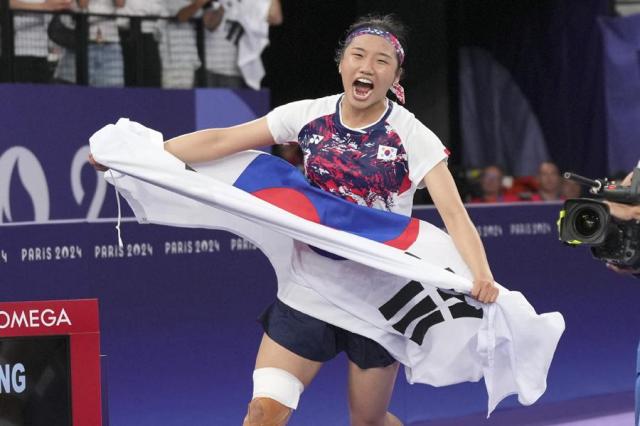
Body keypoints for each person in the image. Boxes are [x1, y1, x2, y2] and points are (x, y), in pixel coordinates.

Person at [91, 14, 499, 425]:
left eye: (381, 61)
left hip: (381, 297)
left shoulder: (412, 135)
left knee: (369, 422)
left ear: (395, 75)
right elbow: (220, 141)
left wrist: (481, 272)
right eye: (358, 55)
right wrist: (137, 157)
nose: (367, 67)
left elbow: (454, 215)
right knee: (263, 412)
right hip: (310, 289)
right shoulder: (309, 115)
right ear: (341, 63)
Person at [201, 0, 282, 88]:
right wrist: (224, 6)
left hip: (241, 71)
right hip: (211, 67)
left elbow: (275, 18)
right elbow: (209, 24)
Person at [53, 0, 125, 87]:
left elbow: (120, 4)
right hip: (80, 44)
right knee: (71, 96)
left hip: (110, 44)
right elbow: (83, 4)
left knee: (112, 97)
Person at [1, 0, 72, 83]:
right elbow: (4, 3)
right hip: (16, 56)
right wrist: (43, 6)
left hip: (42, 56)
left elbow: (65, 5)